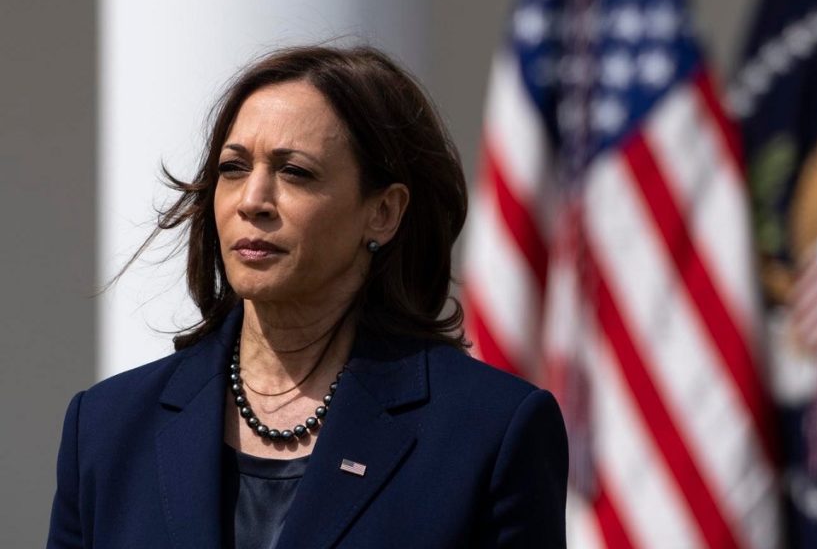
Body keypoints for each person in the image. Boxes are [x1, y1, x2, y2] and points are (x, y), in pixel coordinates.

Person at [47, 45, 569, 548]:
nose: (252, 200)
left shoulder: (490, 430)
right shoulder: (106, 427)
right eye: (233, 168)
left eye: (294, 172)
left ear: (383, 213)